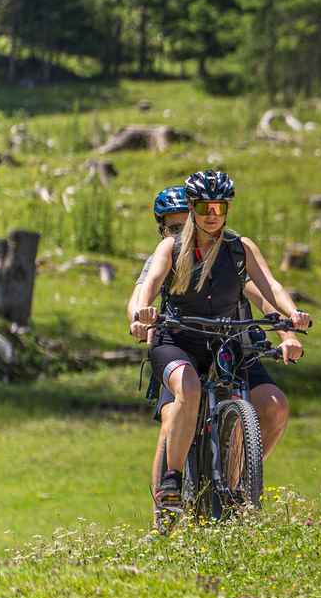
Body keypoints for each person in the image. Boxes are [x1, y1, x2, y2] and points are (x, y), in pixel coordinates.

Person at [130, 171, 311, 530]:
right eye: (203, 207)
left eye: (218, 207)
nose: (211, 213)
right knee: (188, 393)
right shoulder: (172, 249)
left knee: (274, 404)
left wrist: (291, 321)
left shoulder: (238, 248)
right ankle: (172, 483)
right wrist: (140, 316)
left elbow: (269, 288)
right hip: (180, 340)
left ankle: (239, 483)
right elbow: (146, 286)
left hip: (229, 341)